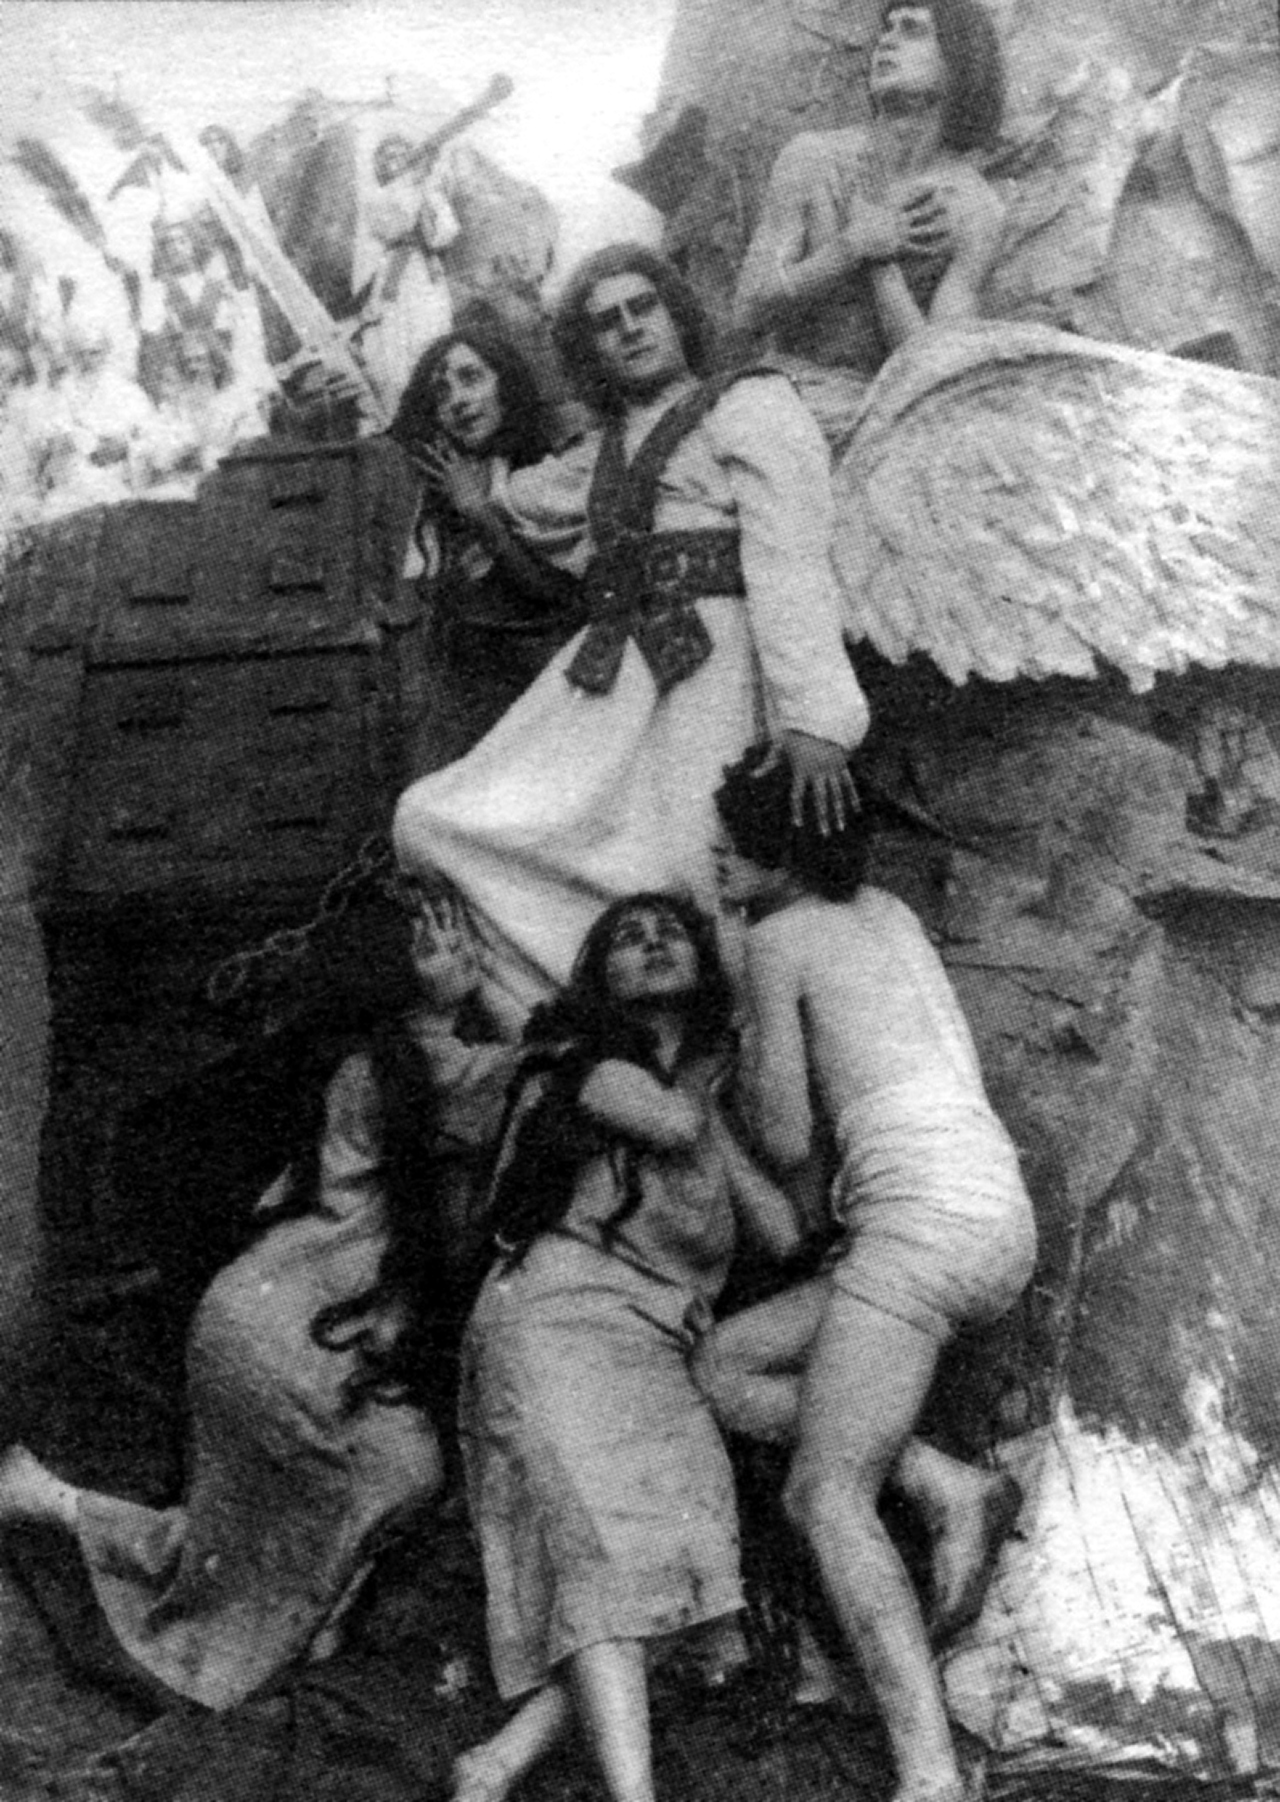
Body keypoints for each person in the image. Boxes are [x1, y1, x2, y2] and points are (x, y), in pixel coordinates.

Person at [0, 889, 519, 1711]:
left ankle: (59, 1503)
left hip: (264, 1312)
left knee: (255, 1531)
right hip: (293, 1334)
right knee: (396, 1472)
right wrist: (471, 999)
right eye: (435, 950)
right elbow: (549, 1075)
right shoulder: (424, 1067)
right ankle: (274, 1617)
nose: (463, 959)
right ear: (399, 978)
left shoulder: (375, 1058)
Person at [394, 243, 869, 1016]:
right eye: (605, 322)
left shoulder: (748, 405)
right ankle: (580, 1018)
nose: (629, 328)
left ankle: (731, 1045)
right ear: (589, 350)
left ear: (677, 318)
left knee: (701, 859)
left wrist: (817, 718)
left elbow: (791, 559)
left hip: (716, 665)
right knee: (435, 820)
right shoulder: (600, 450)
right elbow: (518, 500)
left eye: (643, 308)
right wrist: (475, 494)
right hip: (615, 670)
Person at [692, 745, 1036, 1802]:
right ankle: (946, 1483)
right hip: (990, 1212)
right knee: (726, 1364)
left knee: (823, 1492)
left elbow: (787, 1136)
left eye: (732, 844)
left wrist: (718, 1091)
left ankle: (929, 1775)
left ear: (783, 854)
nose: (714, 857)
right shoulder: (887, 913)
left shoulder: (774, 939)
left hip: (919, 1228)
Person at [455, 891, 805, 1802]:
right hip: (558, 1322)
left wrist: (717, 1102)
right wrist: (710, 1081)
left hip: (659, 1349)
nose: (652, 944)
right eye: (627, 938)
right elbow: (675, 1124)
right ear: (598, 977)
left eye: (670, 933)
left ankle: (496, 1763)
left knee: (679, 1577)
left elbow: (778, 1231)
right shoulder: (583, 1062)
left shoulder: (695, 1096)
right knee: (610, 1561)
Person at [733, 0, 1007, 448]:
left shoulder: (976, 208)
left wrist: (882, 266)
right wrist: (849, 248)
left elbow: (938, 370)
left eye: (912, 30)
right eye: (887, 29)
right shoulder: (813, 158)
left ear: (959, 61)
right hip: (785, 401)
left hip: (889, 416)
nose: (887, 41)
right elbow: (748, 310)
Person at [390, 323, 584, 771]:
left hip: (547, 694)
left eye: (471, 378)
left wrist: (479, 512)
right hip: (467, 702)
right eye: (441, 392)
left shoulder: (549, 471)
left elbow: (558, 596)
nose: (457, 400)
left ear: (505, 384)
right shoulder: (433, 490)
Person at [352, 132, 459, 415]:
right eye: (389, 157)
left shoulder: (430, 193)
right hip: (394, 276)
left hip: (425, 274)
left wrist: (426, 197)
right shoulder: (378, 197)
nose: (396, 162)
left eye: (402, 156)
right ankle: (396, 409)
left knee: (429, 332)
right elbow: (394, 228)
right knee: (392, 341)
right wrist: (411, 190)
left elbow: (446, 232)